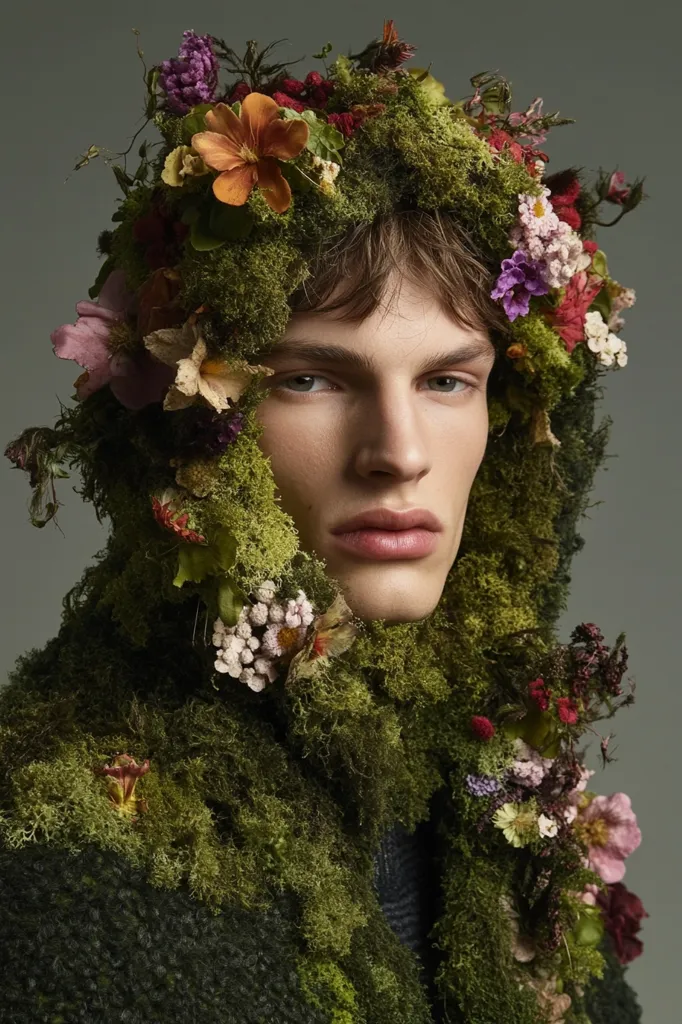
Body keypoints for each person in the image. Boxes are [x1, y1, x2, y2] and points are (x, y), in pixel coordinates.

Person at [1, 21, 646, 1024]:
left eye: (446, 380)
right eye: (308, 378)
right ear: (190, 415)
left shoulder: (511, 824)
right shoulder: (59, 856)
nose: (397, 449)